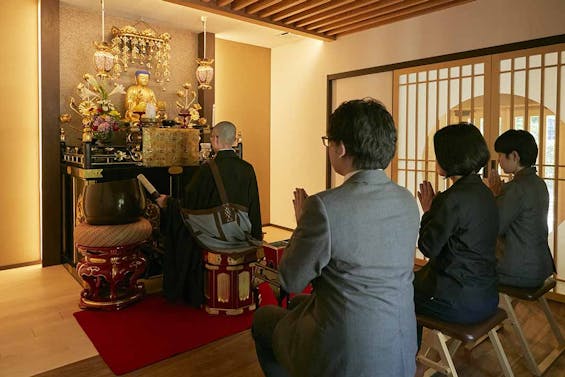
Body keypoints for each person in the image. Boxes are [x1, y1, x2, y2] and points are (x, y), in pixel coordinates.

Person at [252, 98, 421, 377]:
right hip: (400, 348)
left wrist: (301, 225)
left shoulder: (324, 207)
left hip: (350, 355)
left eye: (328, 142)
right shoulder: (405, 199)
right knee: (299, 307)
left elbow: (291, 279)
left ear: (340, 148)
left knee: (264, 319)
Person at [156, 121, 262, 306]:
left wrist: (168, 203)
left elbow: (189, 206)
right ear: (234, 140)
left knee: (186, 225)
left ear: (216, 139)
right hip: (243, 233)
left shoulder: (207, 169)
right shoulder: (248, 168)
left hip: (218, 236)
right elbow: (255, 206)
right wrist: (256, 237)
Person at [414, 123, 499, 349]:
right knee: (415, 280)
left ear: (450, 158)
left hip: (459, 302)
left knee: (400, 293)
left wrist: (429, 211)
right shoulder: (485, 192)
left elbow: (427, 248)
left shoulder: (451, 199)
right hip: (488, 296)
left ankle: (411, 362)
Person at [488, 129, 555, 288]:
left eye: (501, 156)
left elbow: (495, 227)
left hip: (520, 271)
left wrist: (494, 194)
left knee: (471, 266)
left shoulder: (515, 188)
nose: (499, 161)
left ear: (515, 156)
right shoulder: (539, 183)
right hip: (542, 267)